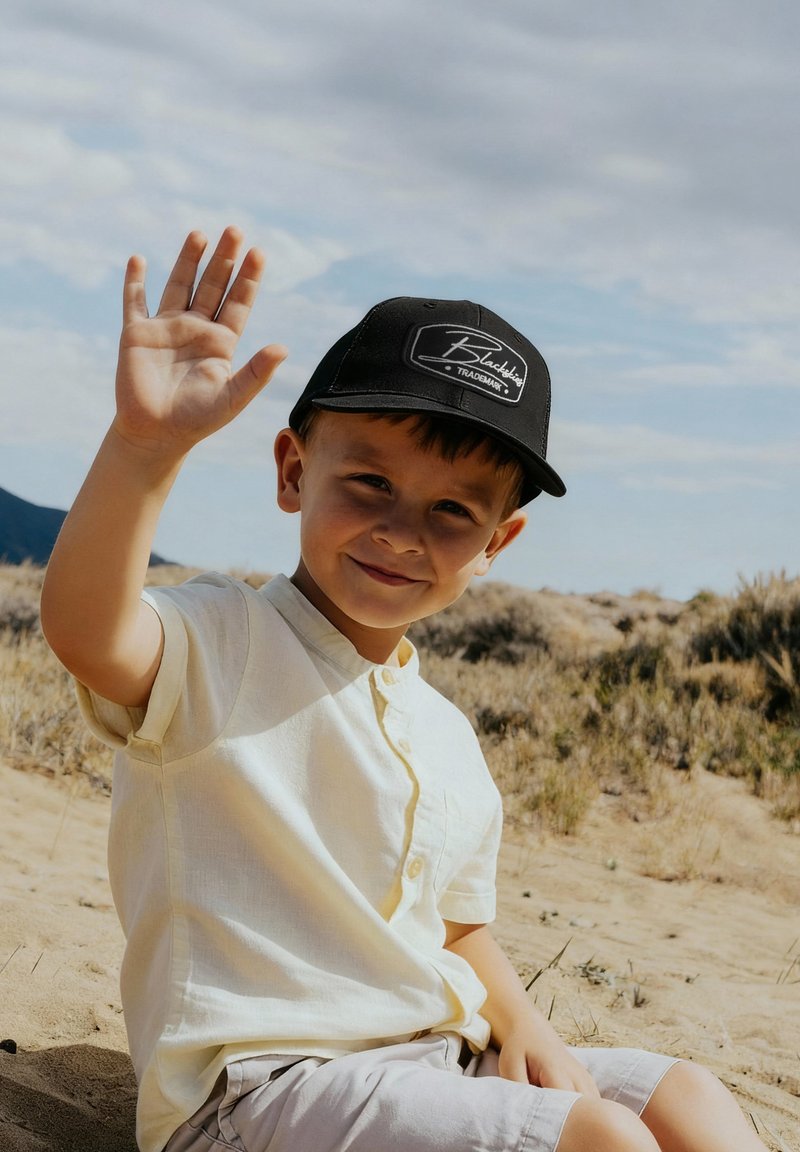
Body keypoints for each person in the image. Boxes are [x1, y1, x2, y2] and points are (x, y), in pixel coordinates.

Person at [41, 227, 769, 1152]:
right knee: (602, 1140)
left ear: (495, 545)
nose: (400, 531)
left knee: (682, 1098)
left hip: (433, 1054)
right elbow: (87, 631)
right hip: (257, 1087)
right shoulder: (221, 638)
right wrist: (143, 452)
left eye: (453, 512)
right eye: (370, 482)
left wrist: (524, 1024)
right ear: (295, 472)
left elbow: (458, 931)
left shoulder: (447, 733)